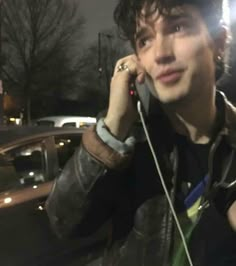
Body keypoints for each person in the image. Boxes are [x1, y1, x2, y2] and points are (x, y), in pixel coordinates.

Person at [46, 0, 236, 265]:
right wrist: (114, 125)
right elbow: (64, 223)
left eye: (178, 26)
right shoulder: (130, 138)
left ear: (218, 41)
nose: (160, 53)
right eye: (145, 40)